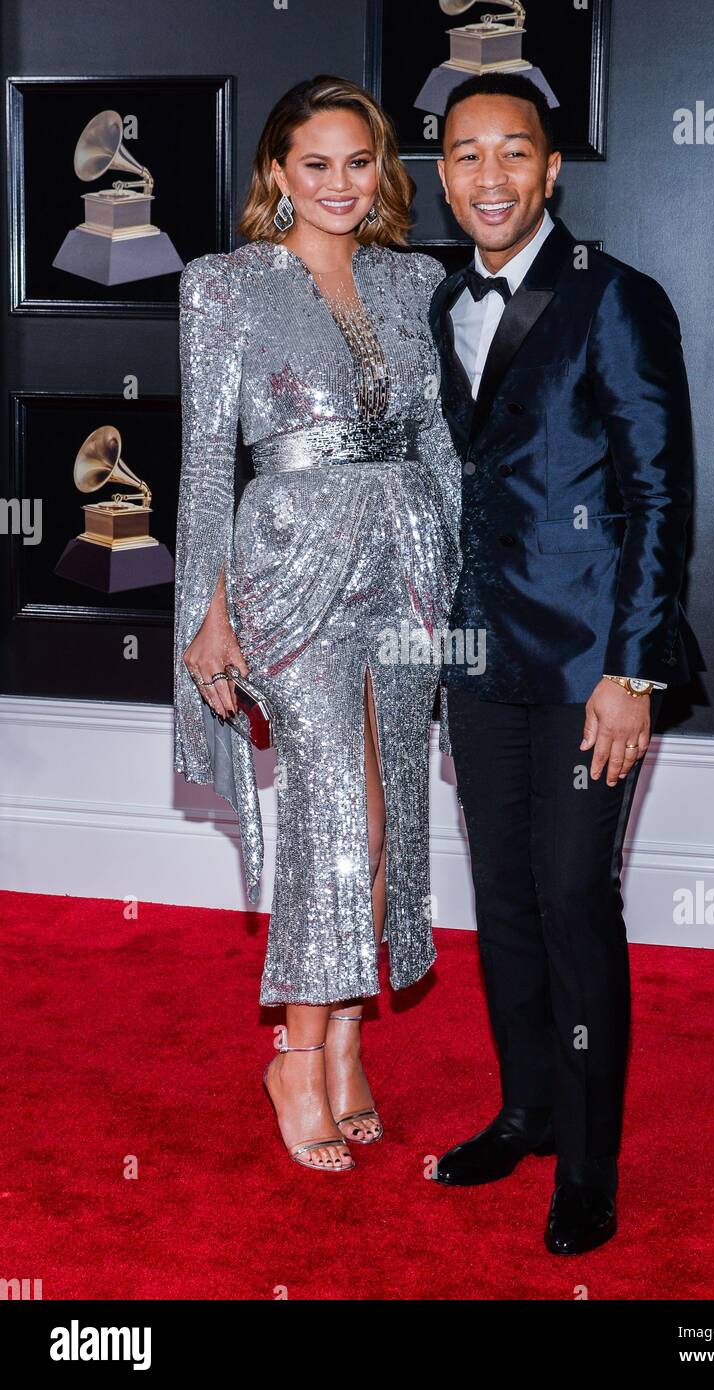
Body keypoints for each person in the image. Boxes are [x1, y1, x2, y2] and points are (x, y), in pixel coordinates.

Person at [428, 73, 704, 1251]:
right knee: (501, 903)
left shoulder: (617, 299)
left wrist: (634, 672)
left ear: (550, 171)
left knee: (574, 900)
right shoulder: (441, 301)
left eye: (513, 153)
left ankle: (586, 1165)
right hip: (479, 659)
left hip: (596, 668)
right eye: (464, 155)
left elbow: (658, 494)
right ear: (440, 176)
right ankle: (528, 1109)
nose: (488, 176)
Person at [173, 75, 461, 1174]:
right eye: (316, 164)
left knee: (389, 826)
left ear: (382, 170)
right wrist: (206, 615)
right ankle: (293, 1056)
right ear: (278, 175)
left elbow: (439, 441)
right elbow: (205, 466)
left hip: (407, 563)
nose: (340, 184)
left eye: (359, 162)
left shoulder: (414, 279)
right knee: (338, 815)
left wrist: (457, 571)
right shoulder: (226, 286)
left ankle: (345, 1040)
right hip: (290, 568)